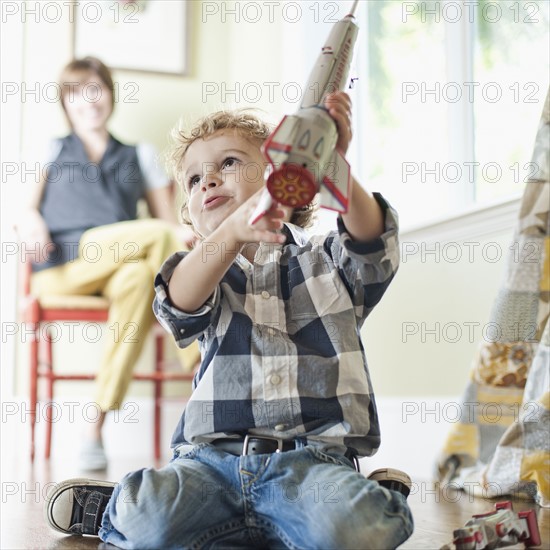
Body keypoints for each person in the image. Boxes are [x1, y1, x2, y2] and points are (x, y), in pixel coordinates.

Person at [44, 93, 414, 548]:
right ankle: (118, 505)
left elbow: (374, 243)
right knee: (149, 521)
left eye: (229, 163)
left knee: (353, 531)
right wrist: (233, 232)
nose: (208, 181)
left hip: (314, 466)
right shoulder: (205, 270)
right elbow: (179, 298)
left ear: (279, 173)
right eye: (194, 178)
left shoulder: (327, 261)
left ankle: (369, 496)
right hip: (209, 467)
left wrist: (334, 168)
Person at [19, 57, 199, 471]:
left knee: (139, 276)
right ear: (66, 101)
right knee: (155, 234)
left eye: (97, 89)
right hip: (63, 266)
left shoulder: (140, 155)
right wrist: (29, 222)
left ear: (111, 96)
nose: (89, 100)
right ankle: (200, 359)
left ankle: (93, 427)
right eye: (78, 91)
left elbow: (168, 221)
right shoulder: (51, 148)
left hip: (121, 267)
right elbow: (25, 209)